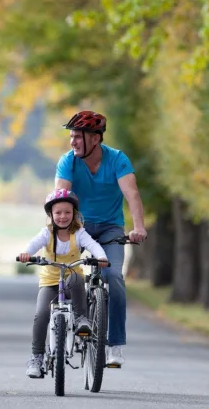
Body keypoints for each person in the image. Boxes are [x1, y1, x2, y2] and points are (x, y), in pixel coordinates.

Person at [54, 110, 147, 367]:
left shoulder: (117, 160)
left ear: (95, 139)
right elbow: (60, 197)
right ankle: (61, 329)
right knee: (66, 272)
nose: (72, 142)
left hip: (109, 229)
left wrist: (138, 227)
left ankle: (114, 345)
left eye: (77, 137)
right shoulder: (68, 162)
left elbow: (132, 194)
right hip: (77, 227)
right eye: (71, 136)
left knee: (114, 276)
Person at [18, 189, 108, 378]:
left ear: (74, 214)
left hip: (71, 281)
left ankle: (81, 319)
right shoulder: (47, 233)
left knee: (76, 277)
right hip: (50, 281)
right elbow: (34, 244)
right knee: (41, 314)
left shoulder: (79, 233)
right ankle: (37, 357)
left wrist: (101, 256)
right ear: (51, 214)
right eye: (58, 212)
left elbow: (93, 245)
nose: (63, 216)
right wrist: (27, 253)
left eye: (67, 212)